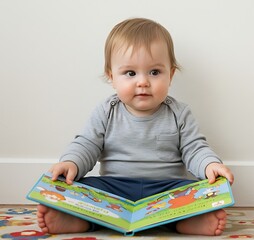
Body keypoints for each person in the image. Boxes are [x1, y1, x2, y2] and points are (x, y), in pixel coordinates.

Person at [36, 18, 234, 236]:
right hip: (113, 189)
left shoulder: (179, 113)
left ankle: (186, 221)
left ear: (171, 74)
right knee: (83, 187)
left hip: (165, 191)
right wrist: (70, 162)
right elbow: (87, 143)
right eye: (130, 73)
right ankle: (78, 219)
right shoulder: (106, 110)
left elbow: (194, 148)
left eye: (155, 72)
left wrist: (210, 165)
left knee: (192, 191)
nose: (143, 82)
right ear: (112, 77)